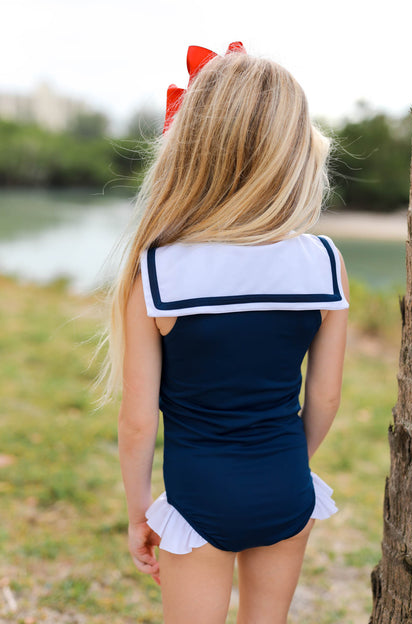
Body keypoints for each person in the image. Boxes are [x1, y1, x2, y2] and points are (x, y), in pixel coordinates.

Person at [95, 41, 349, 624]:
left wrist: (140, 513)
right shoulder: (323, 262)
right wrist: (283, 466)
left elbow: (137, 422)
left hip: (197, 496)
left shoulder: (157, 269)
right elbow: (326, 397)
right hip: (288, 484)